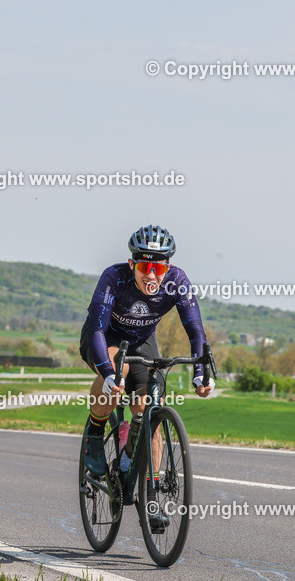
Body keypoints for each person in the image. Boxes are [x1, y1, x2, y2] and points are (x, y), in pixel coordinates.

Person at [79, 224, 213, 531]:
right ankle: (96, 432)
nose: (151, 275)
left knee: (149, 410)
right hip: (103, 338)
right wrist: (110, 374)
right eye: (144, 266)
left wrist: (200, 369)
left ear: (167, 266)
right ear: (132, 265)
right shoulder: (114, 278)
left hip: (141, 341)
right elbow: (98, 329)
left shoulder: (177, 281)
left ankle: (146, 491)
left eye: (158, 267)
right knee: (119, 373)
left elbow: (195, 330)